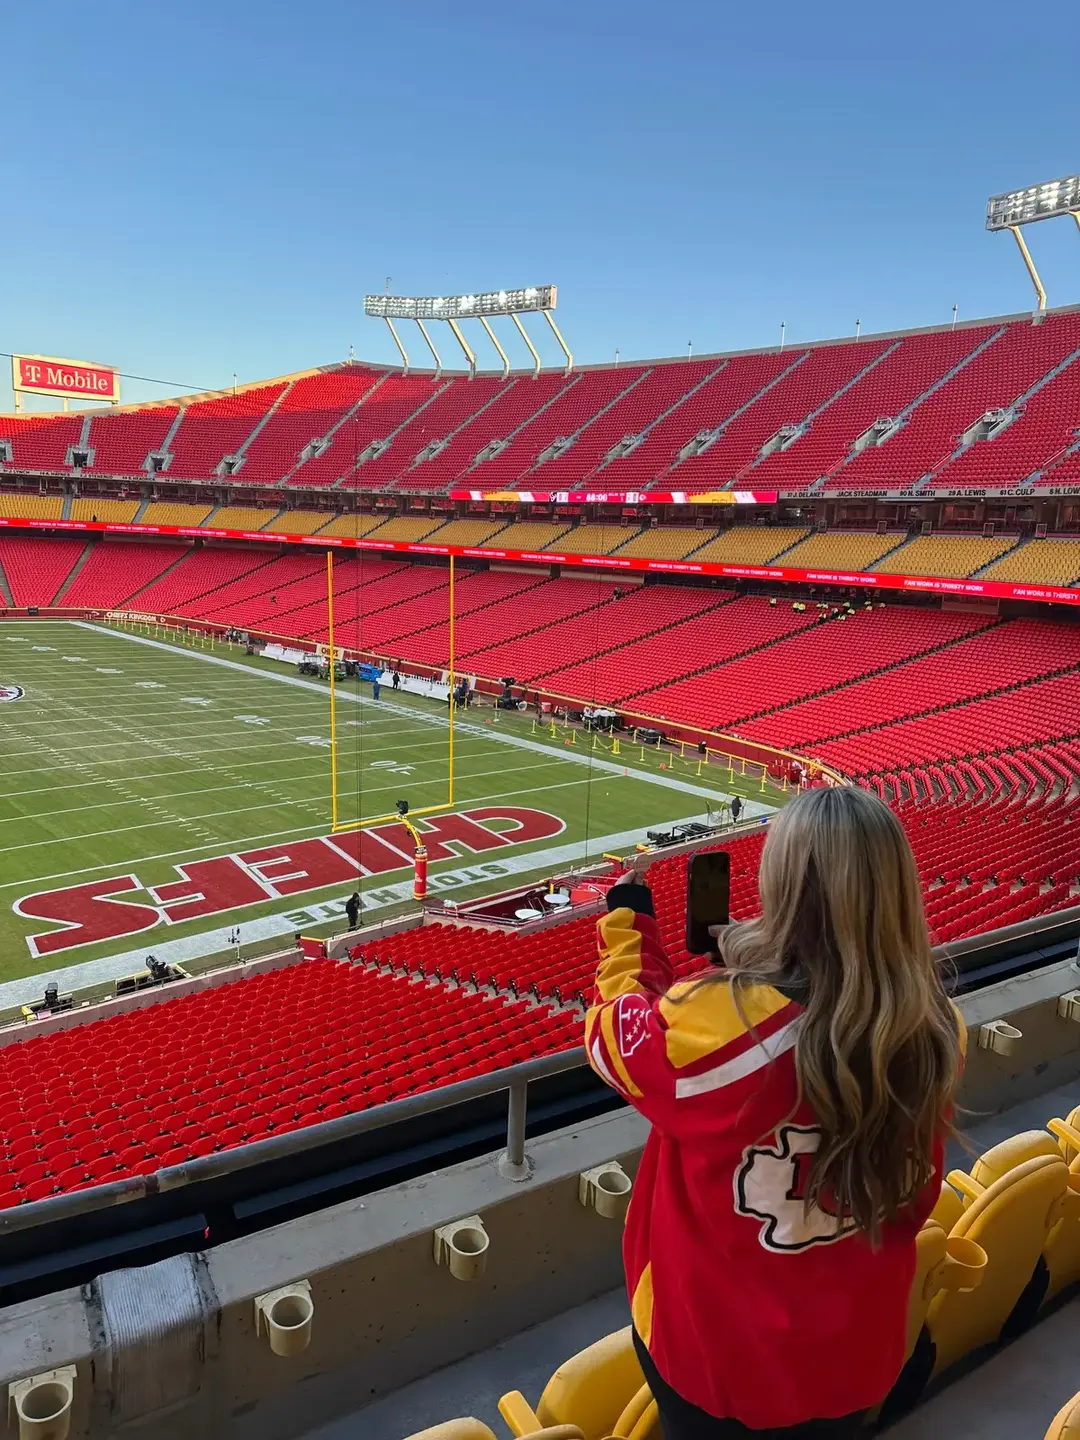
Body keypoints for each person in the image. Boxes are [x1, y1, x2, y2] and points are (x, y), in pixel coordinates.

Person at [586, 787, 963, 1438]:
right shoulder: (935, 1030)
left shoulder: (711, 1032)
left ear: (786, 886)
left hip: (720, 1369)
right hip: (857, 1357)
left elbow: (611, 1032)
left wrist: (628, 921)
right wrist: (750, 954)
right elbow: (825, 1007)